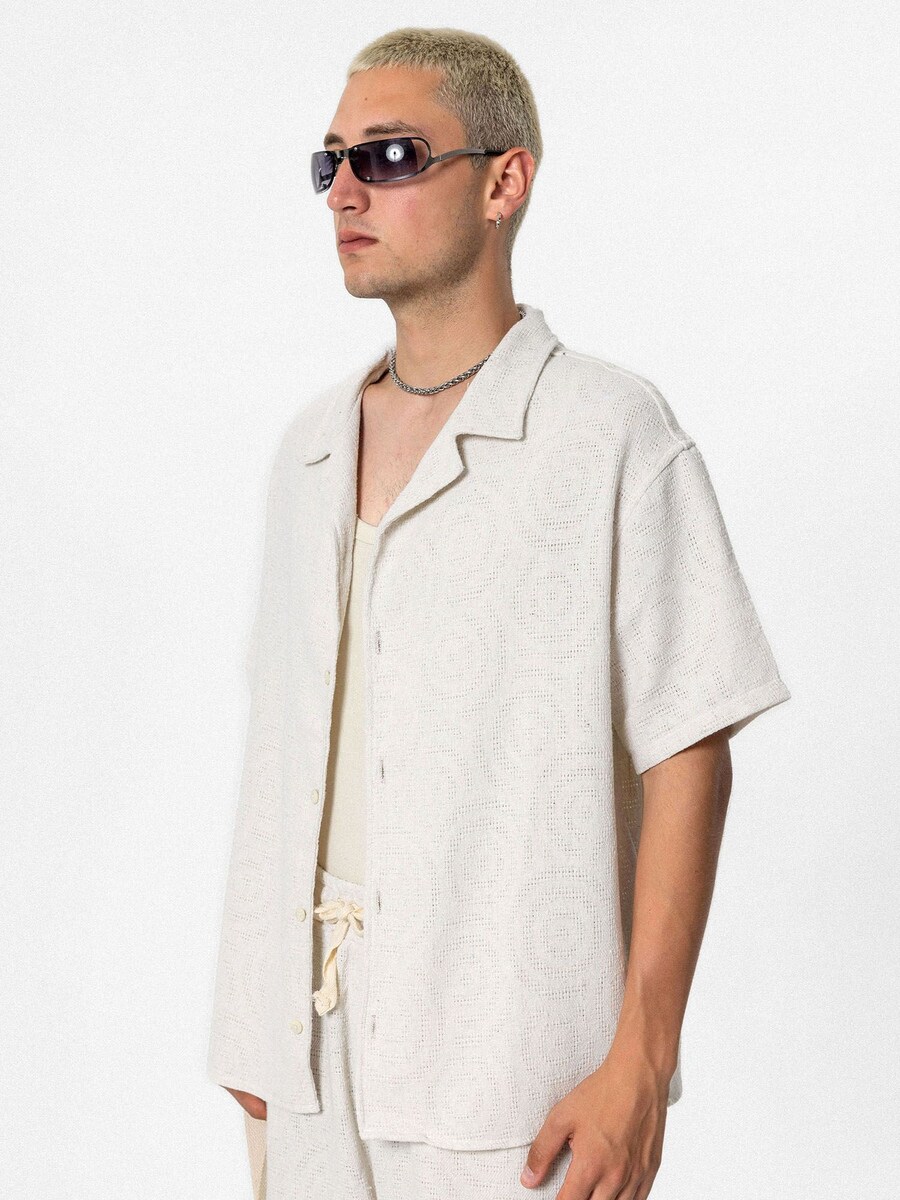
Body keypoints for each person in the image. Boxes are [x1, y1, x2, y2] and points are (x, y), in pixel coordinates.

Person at [206, 26, 791, 1200]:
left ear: (503, 181)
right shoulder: (308, 452)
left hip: (512, 1065)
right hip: (304, 1057)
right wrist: (248, 1023)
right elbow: (282, 750)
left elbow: (691, 745)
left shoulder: (608, 433)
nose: (347, 192)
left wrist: (642, 1064)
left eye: (390, 155)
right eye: (331, 162)